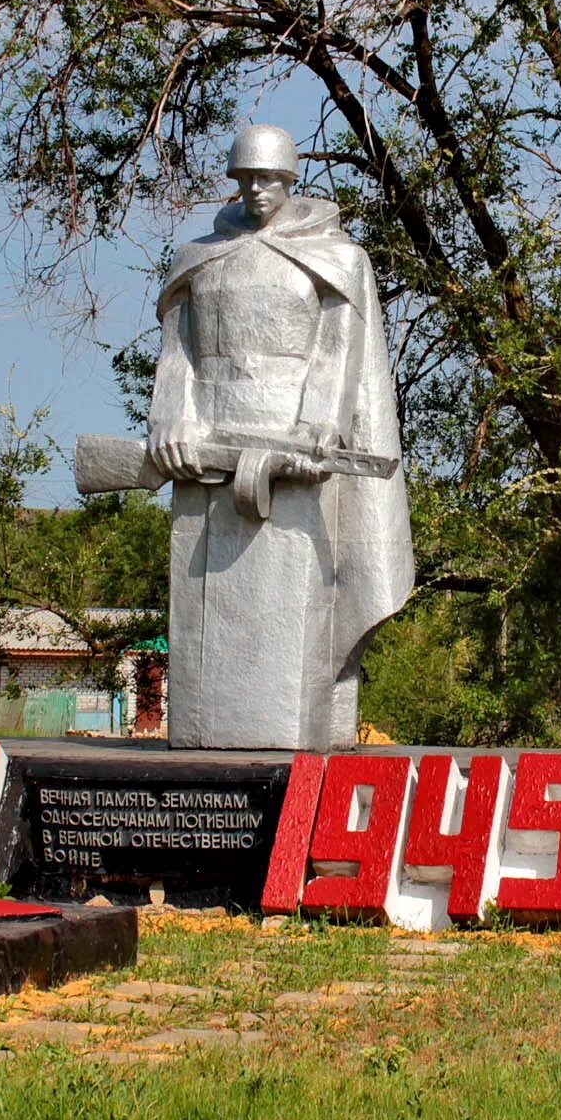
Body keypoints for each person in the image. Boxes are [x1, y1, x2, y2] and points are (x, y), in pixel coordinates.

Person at [146, 124, 413, 749]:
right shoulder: (199, 256)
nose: (256, 191)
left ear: (290, 179)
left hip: (292, 448)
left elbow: (337, 349)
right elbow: (178, 350)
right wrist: (170, 419)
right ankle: (205, 731)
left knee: (290, 613)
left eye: (267, 179)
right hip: (203, 448)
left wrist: (316, 427)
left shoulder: (337, 256)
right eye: (245, 180)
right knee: (203, 599)